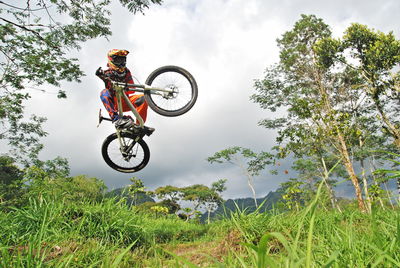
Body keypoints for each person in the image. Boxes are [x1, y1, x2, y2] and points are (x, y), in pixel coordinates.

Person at [96, 49, 154, 134]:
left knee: (144, 98)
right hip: (115, 102)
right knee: (103, 92)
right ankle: (116, 119)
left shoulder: (126, 71)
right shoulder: (107, 72)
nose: (121, 62)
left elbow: (132, 90)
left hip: (126, 100)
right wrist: (100, 75)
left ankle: (139, 126)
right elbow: (102, 77)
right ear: (112, 60)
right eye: (119, 60)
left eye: (123, 59)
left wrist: (125, 86)